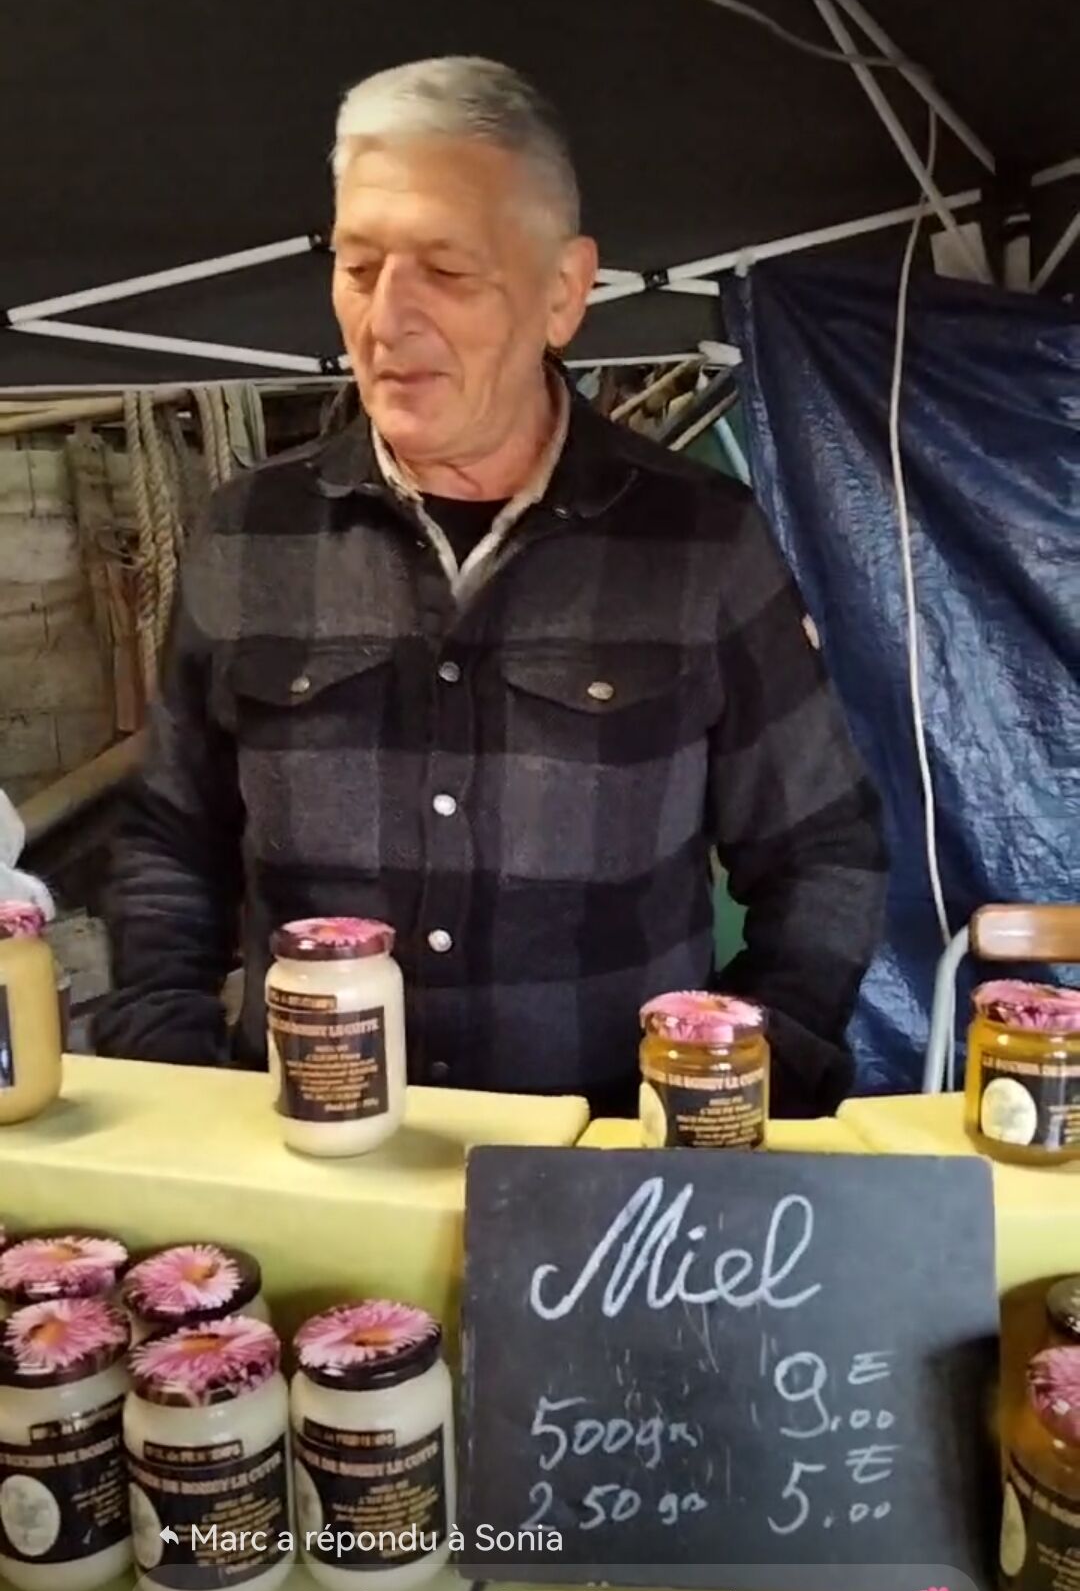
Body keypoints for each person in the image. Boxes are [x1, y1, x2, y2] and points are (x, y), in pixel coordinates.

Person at [95, 56, 886, 1115]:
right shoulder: (250, 535)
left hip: (604, 1169)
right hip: (307, 1156)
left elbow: (823, 856)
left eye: (447, 270)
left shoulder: (701, 542)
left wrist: (728, 1088)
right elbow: (167, 843)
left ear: (563, 292)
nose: (386, 320)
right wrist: (180, 1078)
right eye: (359, 267)